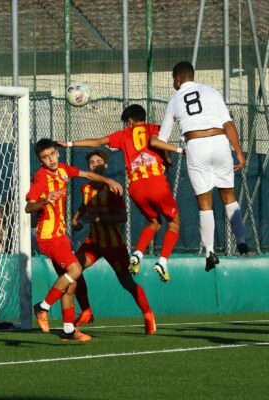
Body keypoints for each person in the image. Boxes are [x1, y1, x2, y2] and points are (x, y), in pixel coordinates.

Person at [59, 104, 183, 283]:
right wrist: (169, 156)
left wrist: (69, 143)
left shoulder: (123, 134)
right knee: (174, 224)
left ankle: (138, 254)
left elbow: (97, 142)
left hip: (136, 186)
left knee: (154, 222)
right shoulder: (153, 128)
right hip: (155, 181)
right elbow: (160, 145)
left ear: (130, 121)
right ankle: (163, 261)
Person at [27, 138, 123, 342]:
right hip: (48, 237)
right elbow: (29, 206)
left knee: (70, 284)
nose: (51, 159)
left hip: (61, 236)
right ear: (40, 160)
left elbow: (86, 174)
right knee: (75, 270)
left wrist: (109, 181)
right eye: (45, 157)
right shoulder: (41, 178)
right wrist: (45, 200)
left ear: (57, 153)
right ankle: (42, 307)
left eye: (53, 154)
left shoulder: (62, 170)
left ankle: (69, 330)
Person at [158, 60, 248, 271]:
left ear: (178, 79)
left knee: (204, 202)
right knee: (229, 197)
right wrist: (239, 152)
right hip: (219, 141)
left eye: (174, 80)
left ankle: (209, 252)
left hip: (195, 144)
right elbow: (228, 124)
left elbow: (162, 137)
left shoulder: (174, 99)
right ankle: (242, 243)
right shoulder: (212, 92)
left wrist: (166, 157)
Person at [71, 150, 156, 334]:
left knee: (126, 283)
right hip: (93, 242)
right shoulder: (85, 188)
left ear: (106, 165)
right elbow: (85, 204)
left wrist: (101, 218)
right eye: (92, 162)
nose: (95, 165)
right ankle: (86, 310)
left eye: (99, 161)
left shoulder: (112, 189)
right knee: (73, 269)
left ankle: (148, 314)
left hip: (114, 245)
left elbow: (123, 217)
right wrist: (76, 218)